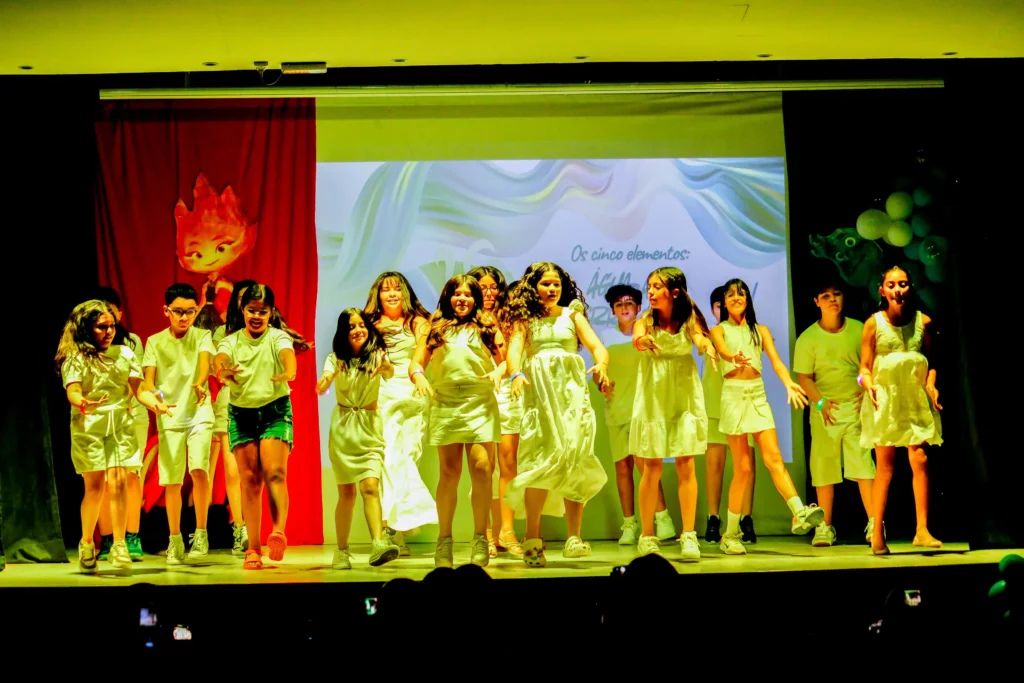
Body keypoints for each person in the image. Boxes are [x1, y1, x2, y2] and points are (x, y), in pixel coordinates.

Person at [503, 262, 610, 567]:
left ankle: (574, 537)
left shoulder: (572, 314)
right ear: (533, 287)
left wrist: (602, 364)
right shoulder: (525, 319)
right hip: (540, 400)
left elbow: (597, 346)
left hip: (571, 400)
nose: (551, 289)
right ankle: (532, 538)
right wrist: (515, 373)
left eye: (556, 285)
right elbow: (514, 351)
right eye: (545, 284)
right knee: (538, 462)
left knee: (574, 458)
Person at [56, 300, 172, 573]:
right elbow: (73, 391)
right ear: (86, 328)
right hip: (89, 426)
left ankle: (119, 543)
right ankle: (87, 541)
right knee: (96, 488)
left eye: (112, 326)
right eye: (101, 327)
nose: (108, 332)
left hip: (120, 422)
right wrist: (83, 402)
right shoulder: (76, 358)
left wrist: (155, 404)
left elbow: (139, 390)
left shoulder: (125, 354)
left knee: (119, 481)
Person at [710, 279, 823, 555]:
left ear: (748, 299)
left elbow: (776, 362)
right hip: (733, 395)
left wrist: (789, 383)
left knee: (774, 458)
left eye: (741, 293)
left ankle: (799, 512)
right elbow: (723, 350)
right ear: (724, 303)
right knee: (743, 469)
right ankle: (730, 534)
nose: (736, 298)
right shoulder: (718, 329)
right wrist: (733, 358)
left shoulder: (760, 330)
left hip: (757, 394)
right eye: (730, 295)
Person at [410, 275, 504, 568]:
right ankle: (444, 540)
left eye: (468, 294)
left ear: (476, 299)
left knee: (482, 469)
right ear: (448, 297)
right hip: (446, 402)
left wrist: (500, 371)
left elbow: (506, 361)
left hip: (480, 401)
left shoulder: (487, 326)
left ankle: (481, 537)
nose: (462, 299)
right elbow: (416, 363)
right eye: (457, 294)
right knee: (449, 473)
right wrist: (419, 376)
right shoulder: (434, 328)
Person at [631, 268, 714, 560]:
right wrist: (643, 342)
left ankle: (688, 534)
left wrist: (707, 347)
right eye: (649, 286)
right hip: (654, 395)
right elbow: (637, 338)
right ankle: (646, 535)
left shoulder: (688, 318)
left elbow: (700, 339)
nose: (650, 292)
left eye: (657, 287)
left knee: (686, 464)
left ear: (674, 292)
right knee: (652, 466)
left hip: (683, 394)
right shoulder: (645, 321)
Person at [860, 266, 943, 555]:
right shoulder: (873, 324)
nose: (898, 290)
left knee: (919, 459)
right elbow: (863, 368)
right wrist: (868, 384)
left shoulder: (924, 322)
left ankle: (922, 530)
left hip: (914, 397)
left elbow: (931, 362)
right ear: (882, 290)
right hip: (886, 399)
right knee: (885, 466)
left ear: (911, 287)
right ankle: (877, 533)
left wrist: (931, 384)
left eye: (903, 284)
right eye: (892, 285)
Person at [214, 284, 296, 569]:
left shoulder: (277, 337)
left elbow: (287, 355)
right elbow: (220, 358)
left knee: (275, 472)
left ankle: (278, 532)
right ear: (243, 310)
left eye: (262, 311)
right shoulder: (231, 340)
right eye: (251, 311)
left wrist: (289, 371)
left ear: (271, 312)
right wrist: (223, 370)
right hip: (241, 414)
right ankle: (253, 548)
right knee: (249, 480)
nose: (257, 316)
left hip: (275, 411)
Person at [317, 308, 401, 569]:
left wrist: (386, 367)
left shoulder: (377, 355)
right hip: (343, 430)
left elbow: (389, 371)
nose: (358, 330)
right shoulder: (335, 358)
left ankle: (378, 543)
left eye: (361, 325)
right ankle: (342, 551)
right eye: (351, 326)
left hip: (369, 428)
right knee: (346, 494)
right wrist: (326, 381)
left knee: (371, 487)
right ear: (344, 332)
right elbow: (324, 384)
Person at [794, 281, 875, 547]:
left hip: (856, 407)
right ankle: (824, 526)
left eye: (836, 294)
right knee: (824, 467)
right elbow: (805, 377)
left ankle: (875, 522)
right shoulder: (808, 338)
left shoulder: (858, 329)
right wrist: (820, 403)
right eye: (826, 296)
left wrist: (864, 389)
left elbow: (867, 367)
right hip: (824, 410)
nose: (832, 300)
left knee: (863, 465)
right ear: (816, 301)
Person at [364, 272, 439, 555]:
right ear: (378, 295)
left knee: (408, 454)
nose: (392, 294)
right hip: (381, 391)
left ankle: (398, 526)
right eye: (386, 290)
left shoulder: (419, 322)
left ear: (405, 293)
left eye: (397, 289)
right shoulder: (369, 323)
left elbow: (422, 356)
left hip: (412, 390)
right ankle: (394, 529)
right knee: (388, 457)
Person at [141, 284, 216, 564]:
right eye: (179, 312)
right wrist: (157, 399)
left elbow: (205, 363)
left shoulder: (202, 335)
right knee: (172, 480)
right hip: (170, 414)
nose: (185, 317)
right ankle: (175, 539)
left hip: (199, 412)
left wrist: (200, 383)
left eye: (190, 312)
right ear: (167, 311)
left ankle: (201, 532)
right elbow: (149, 381)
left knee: (199, 469)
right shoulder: (155, 342)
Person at [599, 283, 675, 545]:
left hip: (644, 407)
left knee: (647, 466)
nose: (624, 308)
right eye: (619, 304)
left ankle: (662, 519)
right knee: (622, 467)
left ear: (639, 307)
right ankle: (629, 525)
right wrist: (602, 383)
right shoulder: (605, 336)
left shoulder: (648, 333)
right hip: (616, 406)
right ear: (613, 310)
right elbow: (600, 372)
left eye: (629, 303)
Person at [466, 266, 523, 558]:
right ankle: (484, 532)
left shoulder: (510, 318)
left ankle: (507, 531)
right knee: (483, 466)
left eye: (493, 287)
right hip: (478, 391)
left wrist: (503, 368)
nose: (488, 292)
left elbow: (514, 354)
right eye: (482, 287)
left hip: (507, 391)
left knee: (508, 463)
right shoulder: (465, 318)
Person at [93, 287, 147, 561]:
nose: (107, 322)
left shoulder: (131, 342)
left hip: (132, 413)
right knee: (102, 477)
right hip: (99, 416)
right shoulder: (86, 346)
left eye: (111, 313)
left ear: (120, 313)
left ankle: (132, 536)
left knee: (130, 474)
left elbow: (137, 383)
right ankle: (106, 539)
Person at [702, 285, 759, 544]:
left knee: (745, 465)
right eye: (718, 305)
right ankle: (713, 518)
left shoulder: (751, 332)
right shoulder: (711, 335)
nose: (725, 306)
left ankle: (746, 518)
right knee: (715, 465)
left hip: (744, 405)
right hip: (716, 406)